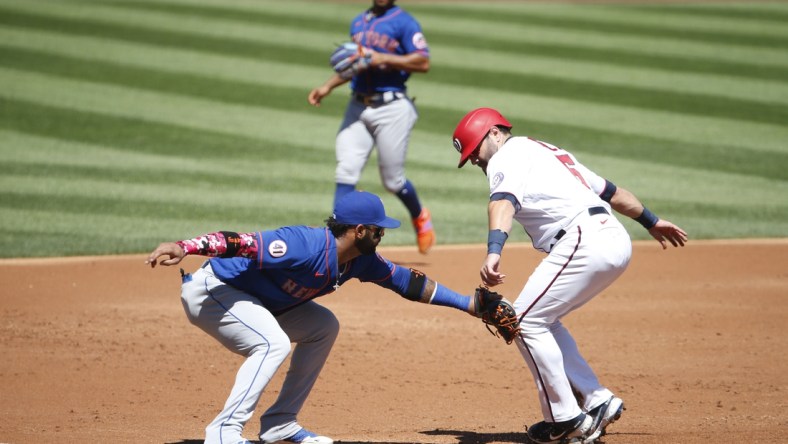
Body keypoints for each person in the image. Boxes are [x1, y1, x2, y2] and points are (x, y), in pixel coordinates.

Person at [146, 191, 481, 444]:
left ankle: (280, 423)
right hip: (214, 290)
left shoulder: (362, 260)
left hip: (255, 300)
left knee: (323, 326)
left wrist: (468, 304)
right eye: (378, 231)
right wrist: (184, 246)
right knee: (271, 343)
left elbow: (408, 282)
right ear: (359, 230)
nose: (382, 236)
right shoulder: (302, 245)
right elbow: (239, 242)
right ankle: (223, 432)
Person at [451, 108, 688, 444]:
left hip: (583, 239)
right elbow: (611, 192)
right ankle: (596, 399)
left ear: (494, 133)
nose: (474, 159)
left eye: (474, 149)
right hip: (614, 239)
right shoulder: (548, 152)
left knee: (523, 321)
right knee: (544, 320)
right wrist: (651, 220)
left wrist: (493, 252)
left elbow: (502, 204)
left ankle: (565, 418)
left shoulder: (508, 155)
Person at [307, 0, 435, 255]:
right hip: (357, 106)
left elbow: (423, 62)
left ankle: (419, 215)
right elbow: (356, 64)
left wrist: (382, 57)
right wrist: (327, 86)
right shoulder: (358, 22)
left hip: (392, 108)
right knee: (346, 170)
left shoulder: (405, 22)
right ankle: (335, 242)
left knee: (392, 180)